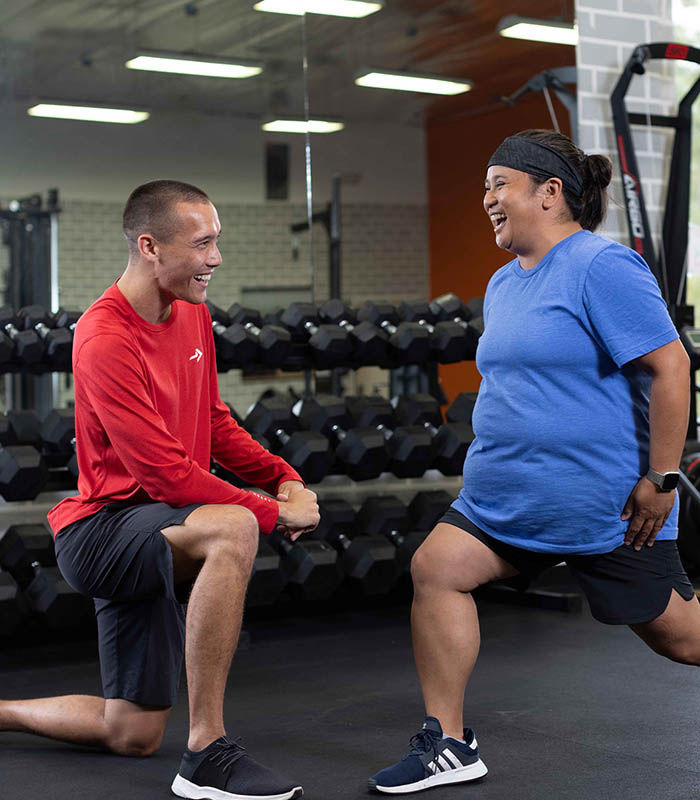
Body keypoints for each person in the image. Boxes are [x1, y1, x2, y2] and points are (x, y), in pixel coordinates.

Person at [368, 129, 699, 794]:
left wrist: (663, 478)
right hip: (504, 502)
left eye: (499, 184)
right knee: (437, 567)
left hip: (603, 507)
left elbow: (671, 366)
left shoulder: (601, 266)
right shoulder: (502, 283)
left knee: (683, 640)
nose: (486, 198)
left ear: (549, 194)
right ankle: (449, 744)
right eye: (485, 186)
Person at [0, 180, 319, 800]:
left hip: (161, 525)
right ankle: (207, 753)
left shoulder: (192, 312)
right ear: (150, 246)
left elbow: (214, 421)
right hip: (104, 532)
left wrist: (283, 475)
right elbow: (167, 474)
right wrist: (273, 513)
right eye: (203, 244)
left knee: (132, 732)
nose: (215, 259)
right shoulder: (105, 337)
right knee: (233, 527)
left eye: (215, 242)